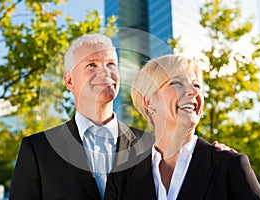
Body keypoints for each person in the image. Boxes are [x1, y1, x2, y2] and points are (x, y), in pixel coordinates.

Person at [9, 33, 154, 200]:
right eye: (92, 64)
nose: (105, 72)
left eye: (111, 64)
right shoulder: (37, 150)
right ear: (70, 81)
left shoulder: (148, 146)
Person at [104, 54, 260, 200]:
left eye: (196, 86)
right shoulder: (121, 177)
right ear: (149, 102)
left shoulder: (229, 165)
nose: (192, 92)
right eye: (176, 83)